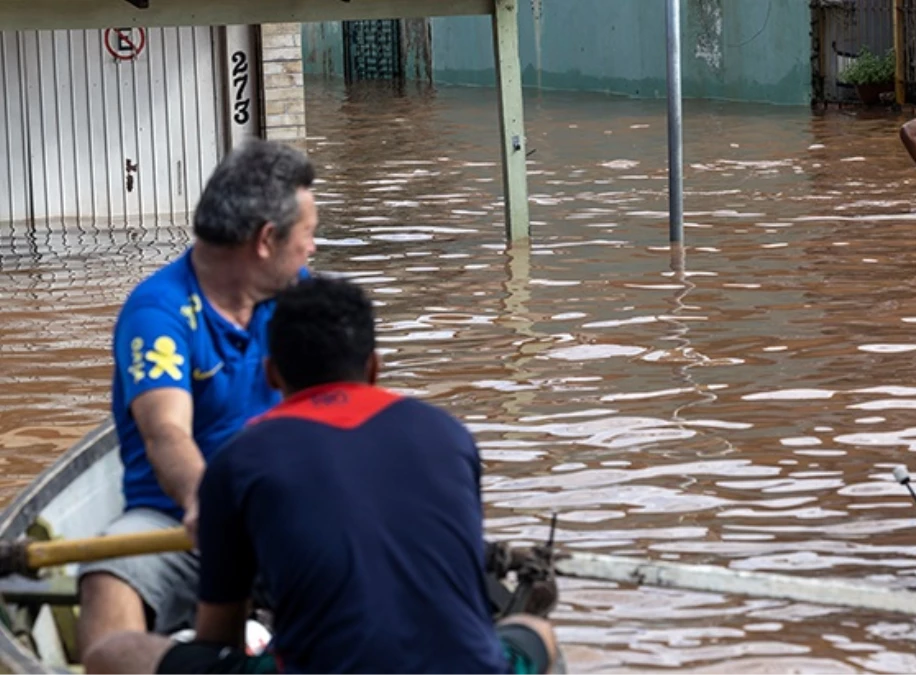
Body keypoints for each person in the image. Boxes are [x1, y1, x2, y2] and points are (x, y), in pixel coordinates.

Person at [83, 276, 561, 675]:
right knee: (537, 634)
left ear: (272, 374)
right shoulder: (450, 435)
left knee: (113, 652)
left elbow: (218, 639)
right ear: (375, 367)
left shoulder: (239, 459)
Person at [78, 139, 319, 659]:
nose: (312, 250)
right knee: (106, 581)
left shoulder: (301, 296)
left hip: (285, 510)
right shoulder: (160, 311)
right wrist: (208, 504)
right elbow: (166, 432)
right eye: (308, 236)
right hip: (177, 521)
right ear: (266, 240)